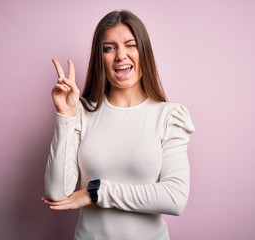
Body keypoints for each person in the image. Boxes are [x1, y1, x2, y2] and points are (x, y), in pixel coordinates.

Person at [42, 10, 195, 240]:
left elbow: (175, 198)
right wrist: (66, 117)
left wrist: (97, 192)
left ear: (144, 51)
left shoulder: (169, 116)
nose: (121, 55)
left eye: (130, 45)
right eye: (109, 48)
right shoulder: (83, 113)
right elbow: (56, 193)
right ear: (99, 58)